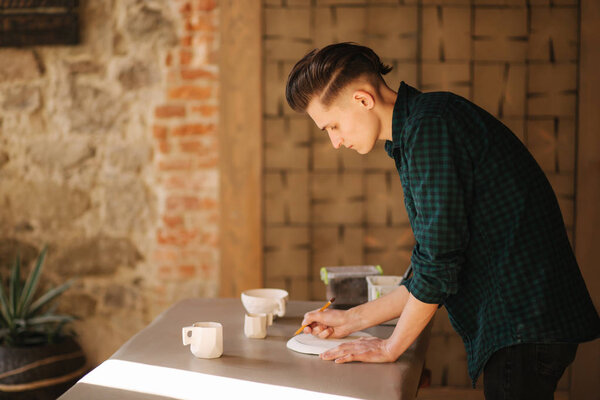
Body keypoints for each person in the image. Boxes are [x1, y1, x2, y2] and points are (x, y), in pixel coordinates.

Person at [285, 42, 600, 400]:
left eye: (333, 126)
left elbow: (439, 265)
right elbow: (428, 263)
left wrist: (390, 348)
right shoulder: (420, 128)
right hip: (524, 321)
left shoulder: (431, 127)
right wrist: (352, 320)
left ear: (362, 100)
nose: (335, 142)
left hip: (524, 321)